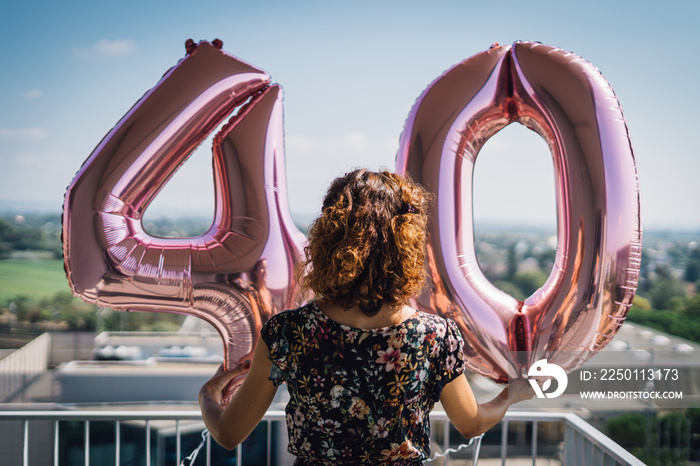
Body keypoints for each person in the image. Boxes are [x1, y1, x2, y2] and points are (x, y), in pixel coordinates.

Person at [199, 169, 533, 464]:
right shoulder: (434, 336)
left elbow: (229, 435)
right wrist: (511, 394)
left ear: (328, 240)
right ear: (408, 246)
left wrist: (208, 396)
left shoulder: (289, 332)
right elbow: (471, 423)